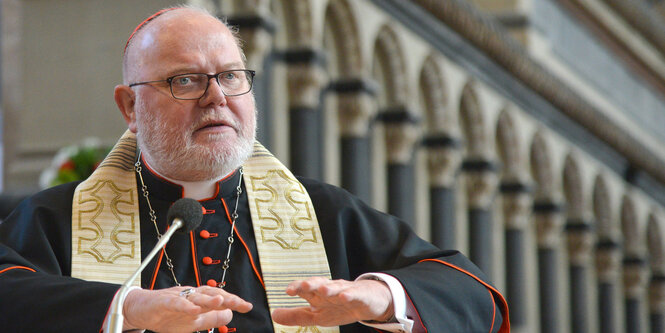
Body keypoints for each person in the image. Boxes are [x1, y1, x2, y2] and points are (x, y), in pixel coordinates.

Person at [0, 6, 508, 333]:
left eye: (231, 76)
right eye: (185, 80)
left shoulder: (321, 212)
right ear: (130, 109)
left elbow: (470, 292)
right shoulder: (56, 219)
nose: (216, 97)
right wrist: (128, 307)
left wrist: (377, 297)